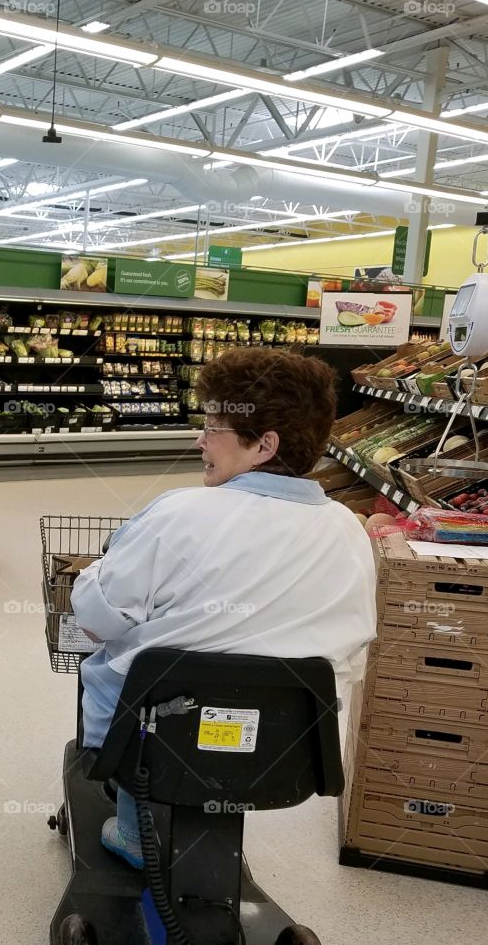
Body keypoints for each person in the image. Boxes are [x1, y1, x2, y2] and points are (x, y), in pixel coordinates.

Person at [70, 347, 377, 869]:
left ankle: (131, 828)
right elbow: (352, 651)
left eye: (212, 427)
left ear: (264, 445)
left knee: (115, 674)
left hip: (152, 744)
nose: (199, 439)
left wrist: (90, 576)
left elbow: (99, 622)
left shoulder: (179, 512)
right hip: (286, 752)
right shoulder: (349, 529)